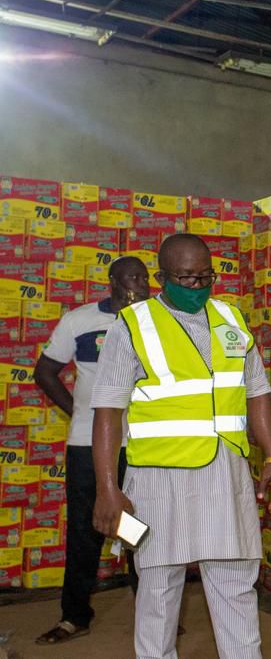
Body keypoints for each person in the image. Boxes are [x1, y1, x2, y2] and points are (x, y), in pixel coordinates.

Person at [90, 233, 271, 659]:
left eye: (205, 277)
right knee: (158, 588)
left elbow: (257, 391)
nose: (196, 286)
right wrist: (107, 488)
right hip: (158, 479)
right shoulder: (132, 325)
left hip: (226, 474)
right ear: (161, 278)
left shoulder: (231, 319)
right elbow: (106, 411)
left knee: (235, 583)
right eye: (185, 278)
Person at [33, 257, 150, 645]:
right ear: (113, 281)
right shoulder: (80, 320)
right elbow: (44, 371)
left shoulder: (157, 321)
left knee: (139, 530)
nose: (142, 283)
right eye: (133, 277)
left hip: (143, 444)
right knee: (86, 530)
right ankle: (74, 616)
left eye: (145, 277)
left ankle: (153, 612)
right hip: (88, 444)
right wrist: (80, 412)